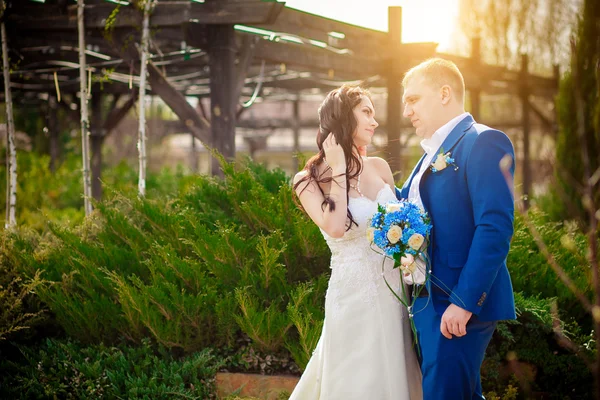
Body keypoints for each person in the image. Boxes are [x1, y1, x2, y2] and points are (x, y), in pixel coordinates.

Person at [290, 84, 422, 399]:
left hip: (395, 294)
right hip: (352, 297)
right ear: (343, 117)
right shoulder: (307, 180)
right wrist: (337, 169)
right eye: (366, 112)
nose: (374, 121)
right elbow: (335, 226)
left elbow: (404, 223)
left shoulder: (380, 167)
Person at [398, 58, 516, 399]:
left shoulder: (483, 142)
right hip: (425, 303)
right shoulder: (426, 156)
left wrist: (464, 302)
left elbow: (494, 227)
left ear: (445, 93)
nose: (407, 110)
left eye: (414, 99)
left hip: (455, 304)